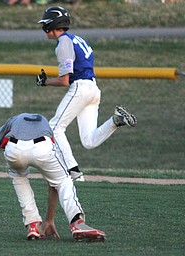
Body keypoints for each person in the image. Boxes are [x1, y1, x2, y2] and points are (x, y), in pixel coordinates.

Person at [0, 113, 105, 241]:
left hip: (14, 149)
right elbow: (53, 186)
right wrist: (49, 219)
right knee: (62, 181)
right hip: (43, 146)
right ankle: (77, 222)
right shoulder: (47, 127)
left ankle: (32, 225)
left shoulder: (10, 123)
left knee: (19, 177)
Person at [36, 6, 137, 180]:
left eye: (45, 23)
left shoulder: (64, 43)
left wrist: (45, 82)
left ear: (51, 24)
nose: (44, 27)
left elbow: (64, 80)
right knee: (89, 141)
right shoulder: (76, 39)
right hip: (93, 89)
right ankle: (115, 121)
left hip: (80, 88)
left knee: (54, 127)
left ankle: (73, 171)